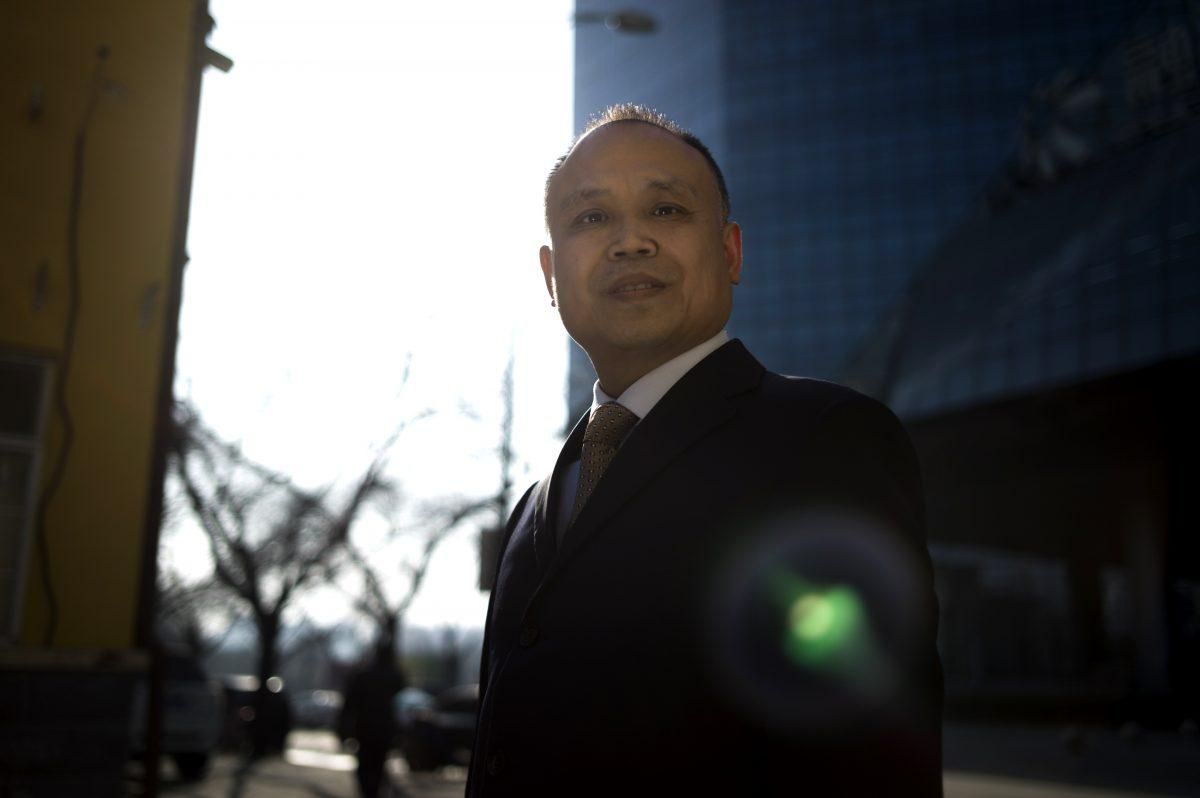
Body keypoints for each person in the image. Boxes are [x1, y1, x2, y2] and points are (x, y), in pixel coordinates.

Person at [467, 105, 943, 796]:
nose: (630, 240)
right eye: (591, 218)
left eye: (665, 210)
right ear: (550, 275)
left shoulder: (826, 438)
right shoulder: (532, 506)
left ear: (730, 252)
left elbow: (873, 757)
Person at [339, 643, 408, 798]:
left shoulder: (363, 675)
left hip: (365, 730)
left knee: (365, 766)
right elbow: (403, 705)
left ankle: (368, 792)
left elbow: (349, 705)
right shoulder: (396, 677)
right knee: (378, 765)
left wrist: (343, 731)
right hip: (385, 731)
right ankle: (374, 791)